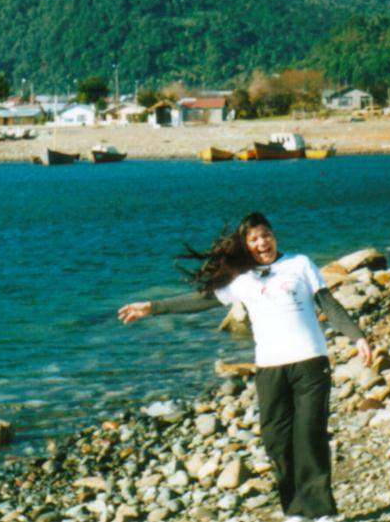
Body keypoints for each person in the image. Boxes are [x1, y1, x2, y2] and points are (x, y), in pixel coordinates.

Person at [118, 212, 371, 522]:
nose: (262, 242)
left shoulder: (300, 264)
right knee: (276, 439)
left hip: (310, 362)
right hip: (269, 368)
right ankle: (295, 511)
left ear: (274, 236)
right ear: (245, 245)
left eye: (265, 235)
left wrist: (356, 337)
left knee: (309, 435)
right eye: (253, 239)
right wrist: (152, 307)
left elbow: (328, 304)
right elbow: (201, 300)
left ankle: (322, 512)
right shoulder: (241, 279)